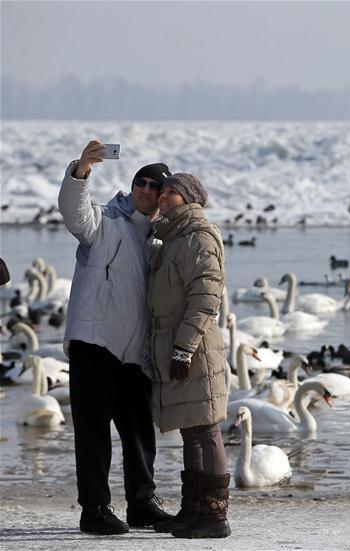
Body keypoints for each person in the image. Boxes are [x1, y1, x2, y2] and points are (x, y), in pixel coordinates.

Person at [57, 140, 174, 535]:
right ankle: (95, 510)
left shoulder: (158, 242)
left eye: (154, 186)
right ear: (133, 186)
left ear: (163, 197)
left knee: (140, 433)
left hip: (134, 352)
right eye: (140, 182)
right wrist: (82, 171)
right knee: (93, 433)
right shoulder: (105, 221)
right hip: (95, 342)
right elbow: (75, 215)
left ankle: (142, 504)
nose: (145, 190)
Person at [146, 173, 231, 539]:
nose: (163, 197)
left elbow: (205, 297)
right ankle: (193, 510)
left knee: (206, 430)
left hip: (195, 347)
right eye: (163, 191)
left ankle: (215, 516)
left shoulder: (198, 237)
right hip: (174, 344)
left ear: (190, 199)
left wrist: (184, 347)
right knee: (190, 431)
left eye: (172, 193)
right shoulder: (171, 237)